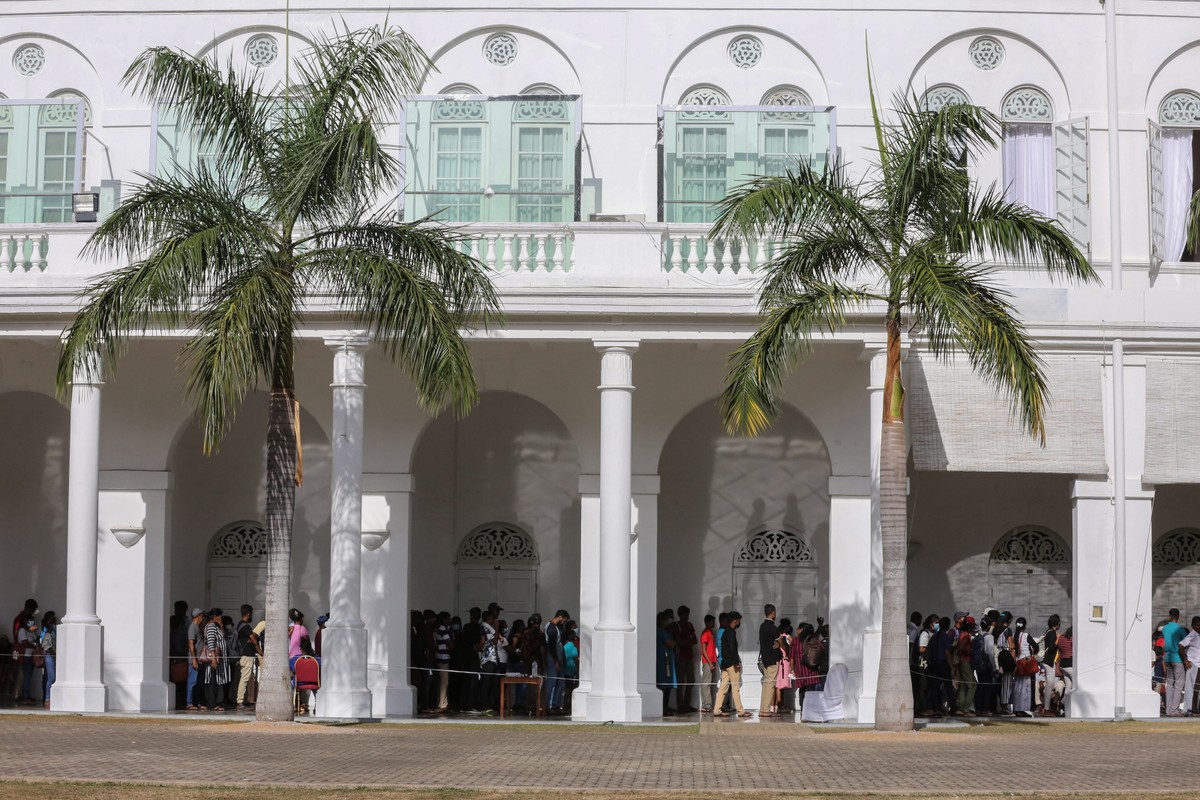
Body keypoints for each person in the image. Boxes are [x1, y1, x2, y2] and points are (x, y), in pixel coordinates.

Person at [713, 610, 750, 718]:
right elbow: (733, 649)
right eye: (739, 621)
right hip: (731, 664)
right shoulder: (731, 632)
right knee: (735, 687)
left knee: (723, 687)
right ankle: (740, 710)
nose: (739, 623)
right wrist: (736, 662)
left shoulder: (724, 632)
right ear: (735, 621)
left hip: (724, 663)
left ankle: (717, 709)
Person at [203, 609, 230, 712]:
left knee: (217, 680)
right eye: (219, 616)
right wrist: (214, 658)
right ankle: (212, 703)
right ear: (215, 616)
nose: (220, 618)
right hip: (214, 658)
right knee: (213, 680)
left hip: (219, 659)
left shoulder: (216, 626)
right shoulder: (210, 627)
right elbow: (210, 642)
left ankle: (216, 702)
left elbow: (222, 636)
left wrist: (221, 625)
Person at [543, 609, 569, 714]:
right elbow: (551, 646)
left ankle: (555, 704)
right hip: (553, 658)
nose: (564, 623)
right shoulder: (551, 629)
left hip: (558, 657)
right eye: (564, 620)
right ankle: (548, 706)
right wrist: (556, 660)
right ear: (560, 617)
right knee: (552, 681)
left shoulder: (557, 627)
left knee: (561, 682)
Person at [1162, 608, 1188, 716]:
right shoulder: (1180, 629)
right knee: (1179, 684)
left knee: (1170, 684)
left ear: (1169, 616)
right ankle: (1174, 709)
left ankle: (1168, 710)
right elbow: (1184, 644)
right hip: (1177, 658)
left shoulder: (1164, 628)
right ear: (1178, 617)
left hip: (1167, 658)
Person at [234, 604, 259, 709]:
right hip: (247, 655)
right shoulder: (246, 626)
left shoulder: (240, 625)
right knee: (244, 678)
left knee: (246, 678)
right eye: (252, 614)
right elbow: (253, 638)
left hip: (244, 655)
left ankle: (244, 699)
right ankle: (240, 700)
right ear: (248, 614)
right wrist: (259, 650)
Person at [674, 606, 698, 714]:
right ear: (680, 615)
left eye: (687, 615)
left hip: (689, 657)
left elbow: (695, 640)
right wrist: (689, 640)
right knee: (680, 682)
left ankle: (687, 704)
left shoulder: (690, 625)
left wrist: (687, 641)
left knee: (691, 680)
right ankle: (680, 705)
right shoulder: (677, 626)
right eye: (685, 615)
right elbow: (681, 643)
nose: (687, 617)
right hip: (680, 657)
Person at [1010, 617, 1035, 717]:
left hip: (1017, 662)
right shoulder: (1026, 635)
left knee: (1017, 687)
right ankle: (1023, 708)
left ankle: (1016, 708)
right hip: (1025, 663)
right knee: (1025, 687)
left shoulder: (1013, 635)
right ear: (1024, 626)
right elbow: (1035, 647)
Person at [758, 604, 780, 716]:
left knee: (766, 684)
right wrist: (780, 643)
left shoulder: (762, 626)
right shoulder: (773, 628)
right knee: (770, 684)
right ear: (773, 613)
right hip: (772, 659)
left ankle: (762, 708)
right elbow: (781, 642)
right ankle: (766, 709)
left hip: (765, 659)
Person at [1038, 614, 1061, 717]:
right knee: (1049, 685)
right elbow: (1051, 649)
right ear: (1057, 623)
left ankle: (1045, 707)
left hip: (1046, 661)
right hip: (1049, 662)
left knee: (1049, 684)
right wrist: (1058, 639)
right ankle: (1046, 708)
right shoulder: (1052, 633)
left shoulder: (1048, 632)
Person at [655, 610, 677, 716]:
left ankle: (666, 706)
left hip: (667, 659)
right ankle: (662, 708)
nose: (667, 623)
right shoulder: (660, 631)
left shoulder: (666, 631)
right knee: (663, 684)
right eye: (665, 621)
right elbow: (671, 643)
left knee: (668, 685)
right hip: (663, 660)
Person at [1178, 617, 1200, 715]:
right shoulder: (1192, 635)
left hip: (1198, 664)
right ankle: (1191, 709)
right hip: (1193, 664)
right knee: (1193, 688)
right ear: (1192, 625)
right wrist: (1186, 660)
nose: (1198, 627)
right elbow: (1181, 646)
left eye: (1199, 624)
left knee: (1197, 688)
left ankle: (1196, 708)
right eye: (1196, 625)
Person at [433, 611, 453, 713]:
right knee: (444, 682)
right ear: (444, 619)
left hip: (439, 657)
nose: (450, 621)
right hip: (443, 658)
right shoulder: (443, 630)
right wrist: (451, 647)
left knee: (442, 681)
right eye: (448, 619)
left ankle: (442, 702)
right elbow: (449, 644)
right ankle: (442, 703)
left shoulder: (438, 630)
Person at [699, 614, 717, 712]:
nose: (713, 624)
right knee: (706, 683)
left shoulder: (710, 632)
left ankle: (708, 704)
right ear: (707, 622)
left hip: (711, 661)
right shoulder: (705, 633)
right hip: (707, 662)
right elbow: (704, 650)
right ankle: (706, 705)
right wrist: (709, 662)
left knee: (709, 683)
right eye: (712, 622)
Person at [39, 611, 57, 709]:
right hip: (49, 656)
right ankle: (47, 698)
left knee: (49, 677)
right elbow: (47, 647)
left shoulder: (53, 632)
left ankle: (48, 697)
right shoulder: (46, 634)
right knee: (51, 677)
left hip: (52, 656)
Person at [563, 629, 579, 714]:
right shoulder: (573, 647)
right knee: (570, 689)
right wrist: (577, 670)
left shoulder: (564, 646)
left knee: (567, 688)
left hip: (565, 670)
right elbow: (576, 659)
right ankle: (567, 705)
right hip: (571, 671)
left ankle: (566, 704)